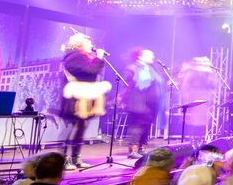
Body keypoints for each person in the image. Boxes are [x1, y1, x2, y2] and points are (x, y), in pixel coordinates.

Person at [57, 33, 111, 170]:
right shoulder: (74, 57)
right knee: (70, 128)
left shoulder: (83, 57)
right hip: (74, 100)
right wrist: (98, 58)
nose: (91, 46)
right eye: (88, 43)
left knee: (81, 128)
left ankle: (76, 158)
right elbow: (90, 71)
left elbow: (91, 73)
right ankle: (64, 159)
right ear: (79, 44)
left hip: (83, 98)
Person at [121, 48, 164, 159]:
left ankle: (142, 149)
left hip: (151, 103)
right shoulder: (132, 68)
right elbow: (127, 85)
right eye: (149, 55)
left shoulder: (153, 69)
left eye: (152, 55)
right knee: (137, 126)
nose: (152, 57)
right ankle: (133, 150)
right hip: (137, 102)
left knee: (146, 126)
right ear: (140, 57)